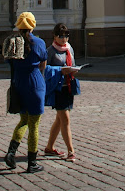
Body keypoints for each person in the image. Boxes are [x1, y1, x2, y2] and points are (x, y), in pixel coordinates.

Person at [4, 12, 71, 174]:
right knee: (34, 124)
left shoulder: (11, 42)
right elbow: (43, 63)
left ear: (18, 25)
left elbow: (9, 62)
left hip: (18, 83)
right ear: (32, 26)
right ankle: (31, 162)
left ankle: (11, 152)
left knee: (23, 121)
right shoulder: (38, 42)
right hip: (35, 84)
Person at [45, 23, 77, 162]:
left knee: (59, 120)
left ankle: (49, 148)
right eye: (61, 36)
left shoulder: (69, 49)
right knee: (65, 119)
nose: (64, 39)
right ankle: (71, 151)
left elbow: (73, 64)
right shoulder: (50, 51)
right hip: (57, 88)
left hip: (68, 86)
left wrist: (73, 69)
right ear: (54, 36)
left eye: (66, 36)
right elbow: (44, 70)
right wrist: (59, 71)